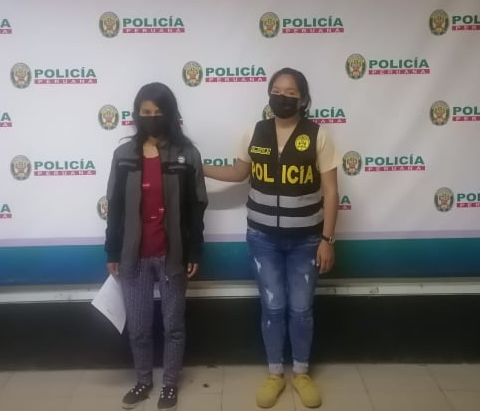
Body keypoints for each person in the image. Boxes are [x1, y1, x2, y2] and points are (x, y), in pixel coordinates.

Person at [203, 68, 339, 409]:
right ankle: (275, 373)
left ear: (303, 99)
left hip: (307, 241)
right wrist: (198, 167)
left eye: (291, 92)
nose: (283, 97)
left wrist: (327, 239)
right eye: (277, 90)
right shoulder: (254, 132)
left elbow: (331, 191)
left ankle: (302, 373)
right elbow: (238, 172)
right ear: (268, 94)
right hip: (262, 239)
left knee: (301, 309)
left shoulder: (318, 135)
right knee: (273, 306)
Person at [105, 82, 207, 411]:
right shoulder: (123, 156)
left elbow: (197, 207)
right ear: (136, 115)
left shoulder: (187, 155)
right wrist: (111, 251)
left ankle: (170, 384)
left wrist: (195, 250)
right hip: (133, 255)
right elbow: (114, 207)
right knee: (139, 327)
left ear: (171, 114)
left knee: (173, 325)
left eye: (159, 112)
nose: (152, 117)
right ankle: (144, 381)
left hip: (172, 254)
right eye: (145, 112)